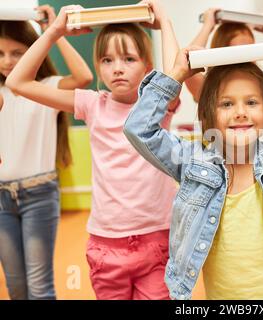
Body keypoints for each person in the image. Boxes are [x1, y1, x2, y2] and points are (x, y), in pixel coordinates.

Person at [123, 33, 263, 299]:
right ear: (209, 115)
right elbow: (138, 129)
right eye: (226, 104)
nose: (240, 112)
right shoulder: (192, 163)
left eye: (252, 102)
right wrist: (176, 74)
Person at [6, 1, 180, 300]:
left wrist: (165, 22)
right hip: (106, 245)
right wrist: (54, 31)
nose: (118, 69)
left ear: (147, 67)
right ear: (98, 66)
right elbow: (17, 82)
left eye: (128, 59)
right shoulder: (92, 104)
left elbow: (179, 70)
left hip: (157, 240)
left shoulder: (156, 106)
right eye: (107, 60)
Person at [0, 5, 93, 299]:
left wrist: (56, 32)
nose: (8, 61)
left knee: (40, 288)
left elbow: (83, 77)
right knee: (15, 286)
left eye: (17, 52)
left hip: (38, 196)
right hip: (1, 200)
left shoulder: (46, 89)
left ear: (33, 51)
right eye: (0, 54)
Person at [185, 8, 263, 102]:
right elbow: (187, 63)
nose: (242, 60)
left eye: (248, 52)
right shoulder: (207, 88)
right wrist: (207, 26)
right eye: (227, 104)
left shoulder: (259, 83)